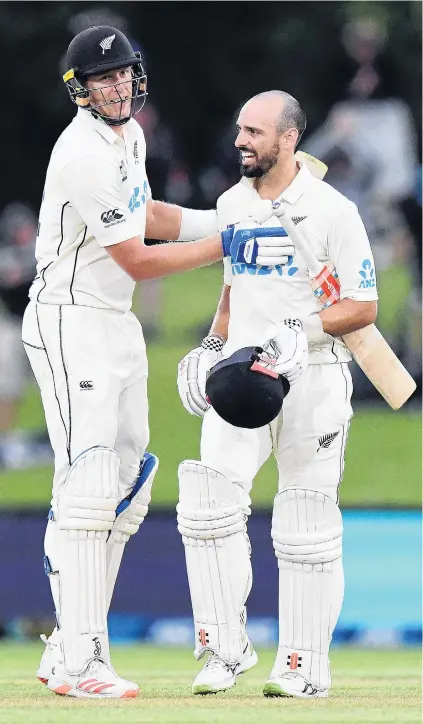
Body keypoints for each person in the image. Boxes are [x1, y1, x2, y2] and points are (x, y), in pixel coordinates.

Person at [22, 27, 293, 700]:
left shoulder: (130, 137)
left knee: (129, 486)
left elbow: (153, 217)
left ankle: (66, 643)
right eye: (103, 78)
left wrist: (227, 215)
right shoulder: (80, 152)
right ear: (79, 89)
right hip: (68, 319)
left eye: (124, 75)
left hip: (114, 324)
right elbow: (138, 258)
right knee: (86, 486)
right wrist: (230, 244)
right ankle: (83, 661)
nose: (117, 86)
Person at [176, 90, 378, 699]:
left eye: (256, 132)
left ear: (289, 139)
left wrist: (304, 331)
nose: (242, 140)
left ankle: (303, 663)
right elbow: (236, 285)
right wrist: (213, 345)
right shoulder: (232, 202)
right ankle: (222, 649)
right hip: (241, 376)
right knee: (207, 504)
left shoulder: (333, 210)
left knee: (306, 520)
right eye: (240, 129)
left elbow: (363, 305)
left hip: (312, 376)